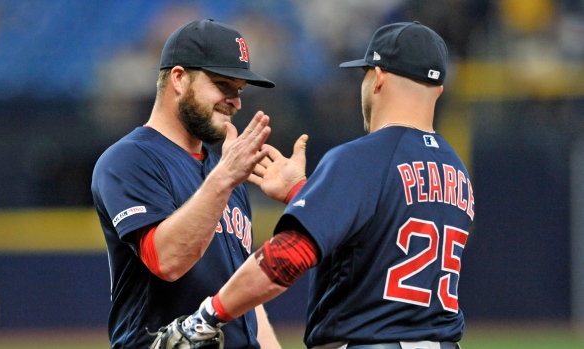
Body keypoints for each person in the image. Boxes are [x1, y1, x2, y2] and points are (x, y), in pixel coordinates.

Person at [154, 21, 475, 349]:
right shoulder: (457, 172)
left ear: (377, 78)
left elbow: (286, 258)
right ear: (438, 90)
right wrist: (302, 194)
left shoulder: (362, 159)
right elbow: (380, 236)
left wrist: (205, 318)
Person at [91, 18, 296, 349]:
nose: (236, 101)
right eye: (222, 84)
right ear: (179, 78)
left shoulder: (225, 172)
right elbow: (167, 261)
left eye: (239, 89)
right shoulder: (129, 160)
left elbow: (242, 293)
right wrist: (226, 178)